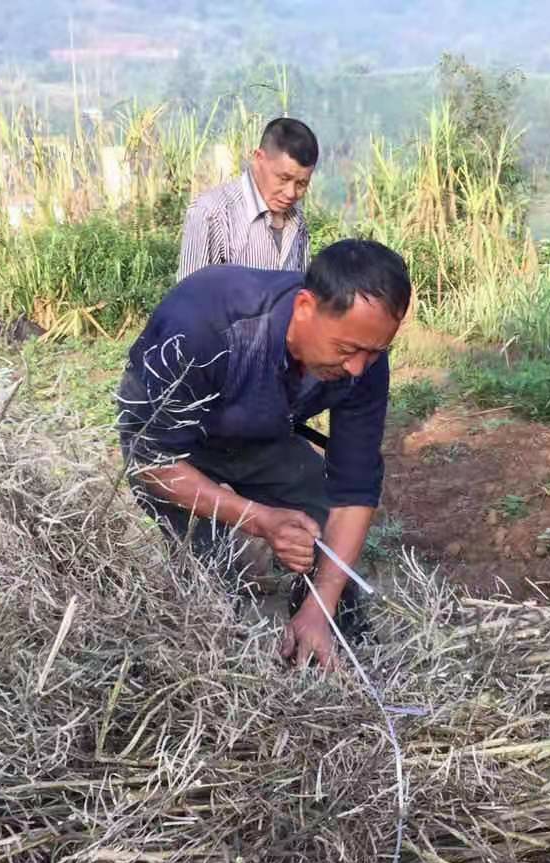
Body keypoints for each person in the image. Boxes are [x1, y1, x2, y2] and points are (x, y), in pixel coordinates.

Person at [118, 238, 411, 669]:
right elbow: (154, 464)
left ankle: (326, 637)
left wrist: (321, 603)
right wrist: (259, 519)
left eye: (375, 352)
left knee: (321, 518)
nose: (356, 369)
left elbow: (354, 488)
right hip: (176, 445)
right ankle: (217, 659)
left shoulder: (363, 361)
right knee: (211, 575)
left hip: (261, 430)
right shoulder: (201, 326)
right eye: (347, 350)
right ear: (306, 307)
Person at [176, 117, 319, 280]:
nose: (291, 193)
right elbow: (190, 298)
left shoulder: (297, 221)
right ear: (258, 159)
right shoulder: (211, 214)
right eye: (283, 178)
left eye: (301, 183)